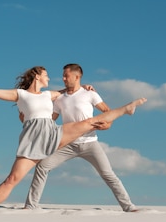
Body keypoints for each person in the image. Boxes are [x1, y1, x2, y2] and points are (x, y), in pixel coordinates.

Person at [0, 66, 147, 210]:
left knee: (91, 123)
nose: (54, 78)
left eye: (64, 76)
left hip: (55, 134)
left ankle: (126, 109)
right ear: (37, 76)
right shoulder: (21, 94)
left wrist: (85, 88)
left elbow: (70, 92)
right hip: (35, 137)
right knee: (13, 178)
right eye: (46, 75)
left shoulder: (51, 95)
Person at [23, 63, 138, 212]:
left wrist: (107, 125)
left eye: (66, 75)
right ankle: (31, 205)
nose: (63, 78)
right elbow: (51, 120)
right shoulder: (60, 99)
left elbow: (107, 112)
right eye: (63, 75)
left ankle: (128, 206)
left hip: (90, 144)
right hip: (67, 143)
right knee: (43, 166)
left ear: (77, 77)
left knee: (108, 174)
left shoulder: (90, 94)